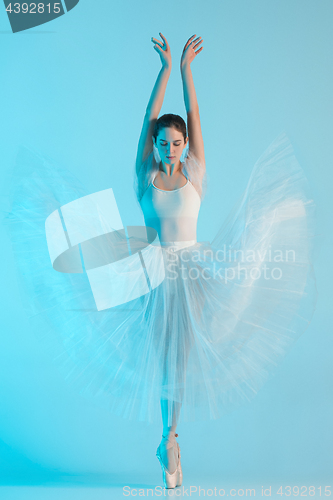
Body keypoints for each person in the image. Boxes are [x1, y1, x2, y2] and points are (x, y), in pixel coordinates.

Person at [2, 33, 317, 492]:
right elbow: (148, 117)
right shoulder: (144, 176)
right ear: (155, 146)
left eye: (176, 143)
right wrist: (164, 69)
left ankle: (171, 437)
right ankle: (168, 441)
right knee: (164, 360)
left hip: (193, 274)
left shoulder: (195, 174)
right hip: (149, 274)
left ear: (185, 145)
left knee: (181, 361)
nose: (170, 149)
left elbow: (195, 115)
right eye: (163, 144)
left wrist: (188, 72)